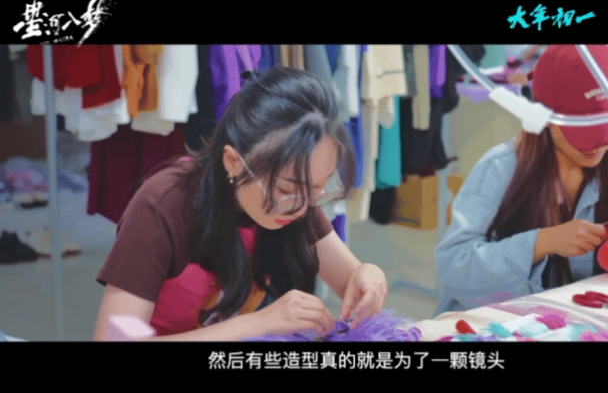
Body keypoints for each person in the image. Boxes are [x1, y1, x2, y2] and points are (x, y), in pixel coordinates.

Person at [93, 67, 388, 341]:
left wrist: (368, 275)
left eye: (318, 189)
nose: (301, 208)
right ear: (233, 161)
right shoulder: (163, 205)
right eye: (287, 188)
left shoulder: (293, 202)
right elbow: (114, 340)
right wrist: (257, 323)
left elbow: (351, 279)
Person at [434, 45, 608, 315]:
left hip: (581, 318)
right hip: (495, 323)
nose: (600, 145)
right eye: (586, 130)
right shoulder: (501, 168)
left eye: (606, 127)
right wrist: (542, 242)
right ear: (542, 115)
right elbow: (454, 266)